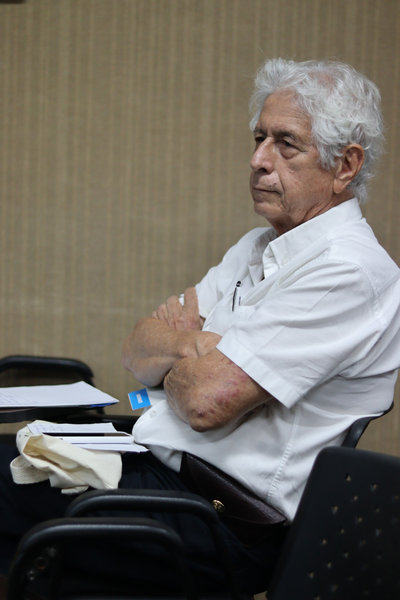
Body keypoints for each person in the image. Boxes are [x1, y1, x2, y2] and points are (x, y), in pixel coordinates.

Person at [0, 58, 399, 597]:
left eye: (285, 144)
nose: (258, 160)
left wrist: (184, 366)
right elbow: (136, 352)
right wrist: (195, 343)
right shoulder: (257, 246)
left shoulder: (349, 271)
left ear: (345, 165)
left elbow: (206, 403)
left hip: (216, 521)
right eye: (259, 138)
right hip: (157, 466)